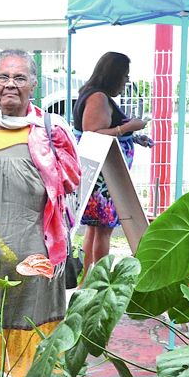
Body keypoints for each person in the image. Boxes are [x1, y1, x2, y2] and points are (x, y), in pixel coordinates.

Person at [0, 49, 80, 377]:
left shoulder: (52, 132)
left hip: (36, 267)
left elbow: (71, 185)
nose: (11, 84)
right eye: (3, 77)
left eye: (20, 77)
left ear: (33, 84)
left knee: (35, 358)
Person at [73, 51, 153, 280]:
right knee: (103, 230)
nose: (126, 81)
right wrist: (128, 128)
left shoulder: (95, 94)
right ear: (113, 75)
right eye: (125, 76)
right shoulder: (97, 97)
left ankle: (88, 281)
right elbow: (93, 132)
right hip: (103, 176)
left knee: (95, 229)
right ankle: (98, 279)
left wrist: (134, 137)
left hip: (102, 173)